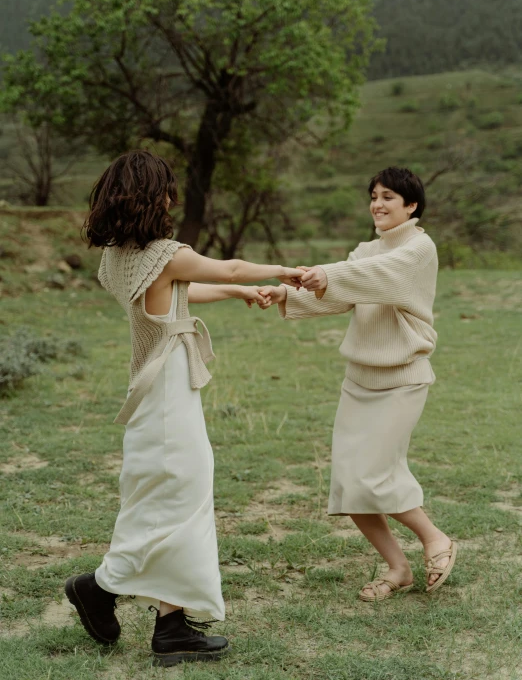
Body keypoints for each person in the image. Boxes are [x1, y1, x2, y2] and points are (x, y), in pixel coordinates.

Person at [65, 150, 304, 666]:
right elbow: (227, 264)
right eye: (167, 189)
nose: (173, 197)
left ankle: (171, 623)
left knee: (166, 497)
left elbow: (180, 290)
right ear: (154, 197)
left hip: (154, 387)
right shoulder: (167, 253)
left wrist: (241, 294)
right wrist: (285, 270)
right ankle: (101, 587)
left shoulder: (118, 258)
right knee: (182, 495)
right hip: (169, 390)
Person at [259, 167, 457, 601]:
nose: (378, 204)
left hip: (402, 379)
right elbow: (344, 293)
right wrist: (288, 294)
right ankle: (397, 567)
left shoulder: (418, 248)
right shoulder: (366, 249)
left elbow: (377, 276)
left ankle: (435, 538)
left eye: (389, 197)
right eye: (373, 196)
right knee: (350, 484)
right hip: (359, 380)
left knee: (373, 474)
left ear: (412, 206)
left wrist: (326, 274)